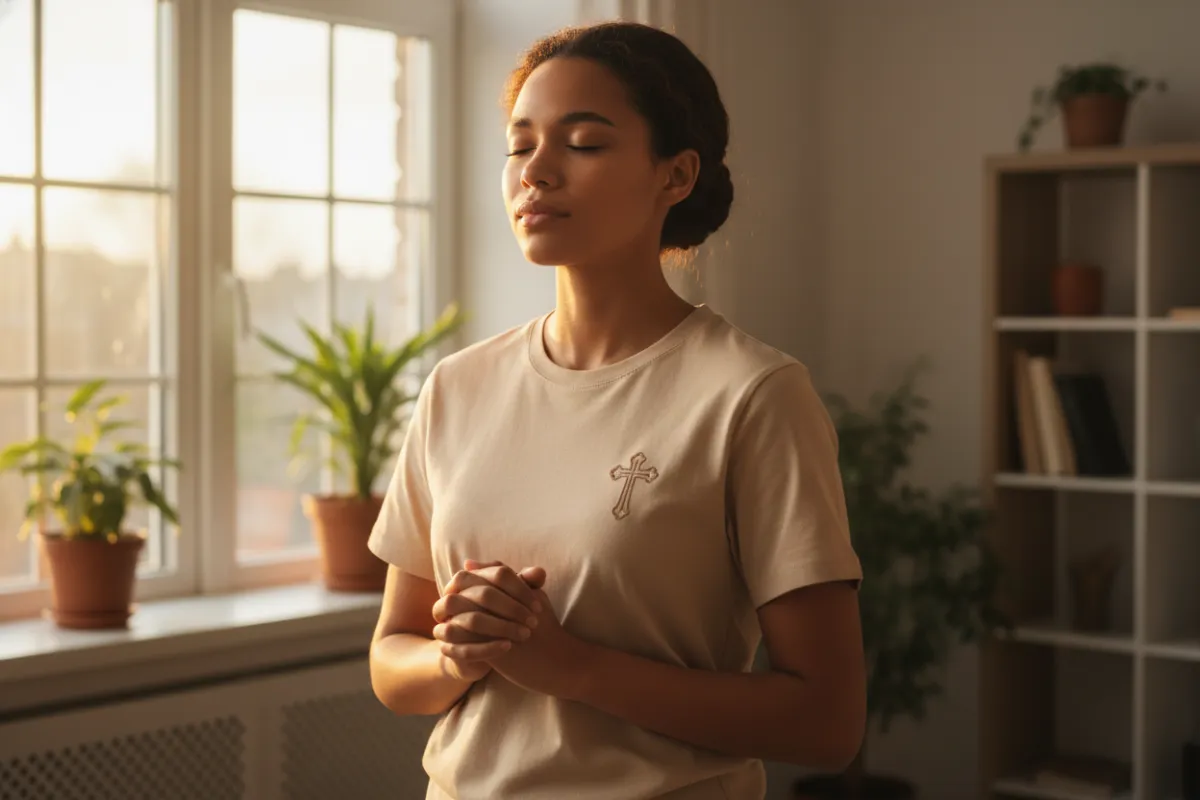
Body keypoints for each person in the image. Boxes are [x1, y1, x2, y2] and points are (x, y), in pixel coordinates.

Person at [366, 20, 866, 800]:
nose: (535, 171)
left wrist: (574, 669)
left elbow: (827, 722)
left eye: (583, 143)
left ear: (675, 175)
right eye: (519, 144)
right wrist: (457, 657)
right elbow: (394, 661)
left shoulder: (753, 395)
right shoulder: (457, 388)